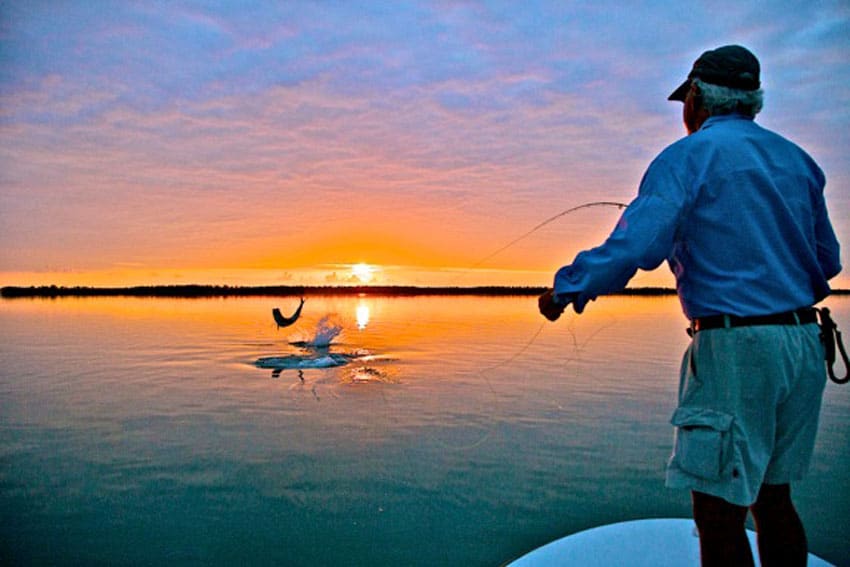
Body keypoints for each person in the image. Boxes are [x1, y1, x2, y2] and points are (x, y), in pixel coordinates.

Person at [538, 45, 841, 566]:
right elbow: (827, 260)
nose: (684, 110)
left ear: (697, 97)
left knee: (718, 512)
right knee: (775, 498)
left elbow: (635, 247)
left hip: (735, 350)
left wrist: (567, 288)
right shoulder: (799, 161)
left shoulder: (685, 157)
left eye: (686, 99)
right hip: (803, 343)